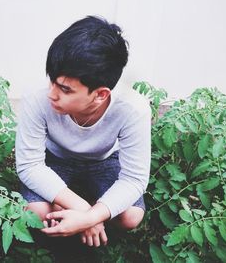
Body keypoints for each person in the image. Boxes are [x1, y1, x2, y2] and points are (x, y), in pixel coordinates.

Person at [15, 16, 151, 247]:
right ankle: (74, 206)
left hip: (105, 161)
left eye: (65, 89)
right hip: (54, 159)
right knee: (36, 212)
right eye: (53, 81)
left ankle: (76, 211)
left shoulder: (132, 108)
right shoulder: (36, 98)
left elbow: (135, 179)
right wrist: (85, 211)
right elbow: (30, 166)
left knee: (131, 217)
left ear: (100, 95)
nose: (52, 94)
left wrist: (89, 218)